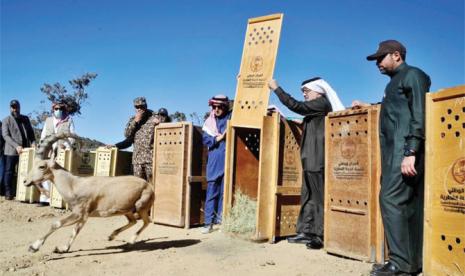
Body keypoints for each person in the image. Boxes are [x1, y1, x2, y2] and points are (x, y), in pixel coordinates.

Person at [353, 40, 430, 276]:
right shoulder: (394, 83)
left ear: (396, 55)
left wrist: (410, 152)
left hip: (404, 151)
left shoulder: (413, 75)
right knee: (405, 207)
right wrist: (371, 106)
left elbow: (419, 114)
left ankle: (399, 263)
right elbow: (398, 109)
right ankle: (410, 264)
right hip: (395, 153)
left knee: (390, 200)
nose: (377, 63)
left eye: (380, 57)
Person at [268, 77, 345, 249]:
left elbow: (297, 106)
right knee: (308, 196)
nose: (304, 94)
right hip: (310, 159)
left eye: (306, 91)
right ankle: (306, 231)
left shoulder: (322, 103)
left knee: (318, 198)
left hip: (317, 160)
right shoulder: (316, 109)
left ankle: (321, 235)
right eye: (302, 91)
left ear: (318, 90)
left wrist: (276, 89)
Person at [110, 97, 163, 182]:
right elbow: (127, 136)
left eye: (141, 106)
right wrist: (135, 121)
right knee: (138, 187)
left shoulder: (155, 117)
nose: (139, 109)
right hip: (137, 161)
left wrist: (160, 124)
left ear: (146, 106)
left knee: (153, 186)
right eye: (137, 107)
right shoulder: (133, 119)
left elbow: (166, 133)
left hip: (151, 160)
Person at [201, 94, 231, 234]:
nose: (217, 109)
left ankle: (221, 222)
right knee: (212, 192)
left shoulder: (230, 118)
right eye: (214, 107)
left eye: (220, 107)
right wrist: (221, 137)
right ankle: (208, 223)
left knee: (225, 192)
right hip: (214, 161)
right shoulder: (209, 122)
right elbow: (207, 140)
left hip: (229, 160)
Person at [38, 101, 76, 205]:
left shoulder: (69, 120)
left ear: (64, 110)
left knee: (59, 175)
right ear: (53, 110)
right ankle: (45, 199)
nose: (58, 111)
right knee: (46, 173)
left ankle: (58, 199)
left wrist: (66, 145)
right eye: (56, 109)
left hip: (61, 152)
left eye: (61, 109)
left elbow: (72, 136)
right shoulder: (48, 120)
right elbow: (43, 135)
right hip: (49, 150)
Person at [1, 100, 36, 200]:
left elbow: (31, 133)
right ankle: (8, 193)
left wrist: (33, 143)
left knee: (25, 171)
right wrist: (16, 146)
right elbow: (5, 136)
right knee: (9, 172)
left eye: (16, 107)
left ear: (19, 107)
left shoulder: (25, 119)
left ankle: (23, 192)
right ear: (10, 108)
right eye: (13, 107)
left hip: (26, 151)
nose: (14, 109)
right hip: (11, 151)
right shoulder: (6, 120)